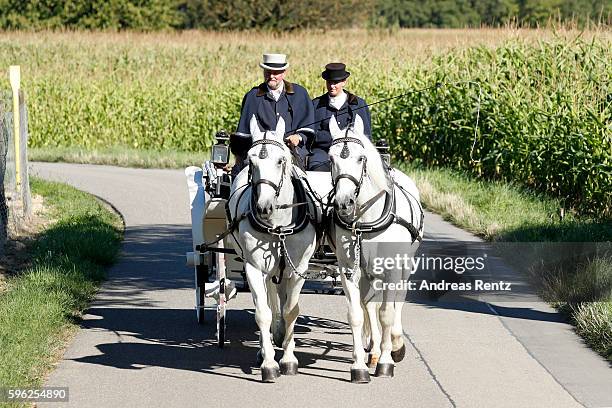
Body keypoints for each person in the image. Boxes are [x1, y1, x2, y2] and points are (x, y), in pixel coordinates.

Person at [231, 53, 315, 177]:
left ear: (284, 73)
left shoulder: (300, 94)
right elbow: (243, 134)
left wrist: (298, 137)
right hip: (260, 153)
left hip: (290, 151)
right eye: (268, 72)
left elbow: (308, 125)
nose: (272, 76)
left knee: (300, 181)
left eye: (276, 73)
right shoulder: (252, 97)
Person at [308, 63, 372, 171]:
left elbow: (366, 135)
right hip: (323, 152)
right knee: (316, 168)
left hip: (352, 152)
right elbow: (312, 135)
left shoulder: (358, 104)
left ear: (344, 82)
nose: (332, 86)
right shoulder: (316, 105)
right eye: (329, 82)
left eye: (336, 82)